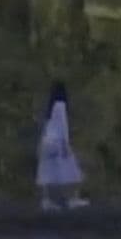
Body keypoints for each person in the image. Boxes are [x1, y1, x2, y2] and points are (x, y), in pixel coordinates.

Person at [35, 82, 89, 211]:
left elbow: (47, 126)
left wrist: (41, 143)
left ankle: (46, 201)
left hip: (47, 141)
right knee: (72, 171)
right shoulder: (60, 105)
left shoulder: (49, 109)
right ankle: (72, 199)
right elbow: (62, 125)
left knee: (47, 172)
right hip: (58, 142)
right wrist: (66, 144)